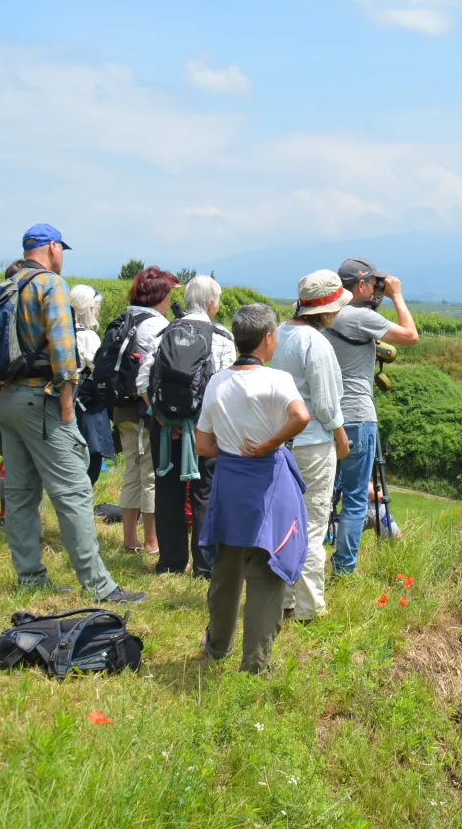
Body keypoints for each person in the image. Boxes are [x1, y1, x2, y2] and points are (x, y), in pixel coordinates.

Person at [0, 224, 145, 604]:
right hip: (40, 402)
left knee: (20, 493)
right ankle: (100, 585)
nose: (62, 255)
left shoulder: (7, 286)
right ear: (50, 248)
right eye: (62, 248)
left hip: (7, 400)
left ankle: (30, 577)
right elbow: (64, 351)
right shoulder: (50, 286)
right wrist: (66, 406)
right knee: (75, 491)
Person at [193, 304, 310, 675]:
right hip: (267, 483)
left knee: (225, 571)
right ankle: (256, 663)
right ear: (268, 338)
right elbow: (301, 416)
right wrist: (269, 444)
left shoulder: (217, 382)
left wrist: (233, 447)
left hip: (229, 481)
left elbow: (202, 445)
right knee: (264, 573)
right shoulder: (278, 380)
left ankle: (217, 645)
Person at [325, 258, 419, 573]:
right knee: (354, 499)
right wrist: (397, 296)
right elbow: (410, 335)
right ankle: (343, 569)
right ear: (361, 284)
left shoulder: (324, 314)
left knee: (324, 494)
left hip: (326, 416)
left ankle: (314, 555)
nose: (378, 289)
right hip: (357, 416)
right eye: (375, 283)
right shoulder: (359, 316)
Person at [271, 270, 350, 622]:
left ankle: (283, 599)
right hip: (314, 442)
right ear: (328, 310)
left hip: (282, 439)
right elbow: (326, 403)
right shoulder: (316, 343)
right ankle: (310, 608)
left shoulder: (280, 334)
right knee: (314, 523)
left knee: (285, 522)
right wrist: (340, 435)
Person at [146, 275, 236, 577]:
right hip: (203, 430)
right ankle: (204, 566)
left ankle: (170, 563)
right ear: (212, 303)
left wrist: (162, 414)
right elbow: (226, 388)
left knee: (167, 491)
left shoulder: (163, 333)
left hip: (164, 427)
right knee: (204, 493)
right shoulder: (222, 338)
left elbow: (141, 380)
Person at [115, 267, 177, 553]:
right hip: (145, 411)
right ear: (159, 295)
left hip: (121, 409)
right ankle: (152, 541)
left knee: (131, 471)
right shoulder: (156, 326)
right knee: (150, 475)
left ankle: (130, 539)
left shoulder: (124, 317)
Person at [0, 258, 32, 529]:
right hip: (19, 390)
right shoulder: (21, 308)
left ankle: (8, 514)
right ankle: (16, 517)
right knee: (20, 455)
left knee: (8, 454)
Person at [69, 283, 115, 489]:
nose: (98, 311)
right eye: (96, 306)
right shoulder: (88, 337)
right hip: (89, 408)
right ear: (88, 308)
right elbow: (100, 372)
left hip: (67, 403)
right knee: (92, 459)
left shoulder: (62, 334)